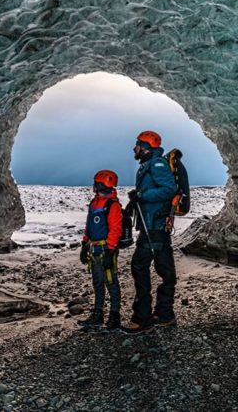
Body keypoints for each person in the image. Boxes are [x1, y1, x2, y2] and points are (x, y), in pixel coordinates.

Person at [122, 130, 178, 334]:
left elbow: (168, 189)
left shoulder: (157, 164)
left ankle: (142, 318)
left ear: (145, 147)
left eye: (137, 144)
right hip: (155, 225)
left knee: (139, 266)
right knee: (165, 270)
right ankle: (165, 314)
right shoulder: (151, 164)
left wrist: (142, 195)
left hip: (154, 226)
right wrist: (134, 201)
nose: (134, 148)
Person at [77, 169, 123, 330]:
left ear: (101, 184)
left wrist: (110, 251)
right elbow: (89, 225)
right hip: (94, 248)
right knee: (98, 282)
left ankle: (114, 316)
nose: (94, 186)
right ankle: (98, 314)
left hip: (105, 249)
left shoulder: (112, 205)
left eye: (96, 183)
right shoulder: (95, 203)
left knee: (111, 282)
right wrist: (84, 244)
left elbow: (115, 229)